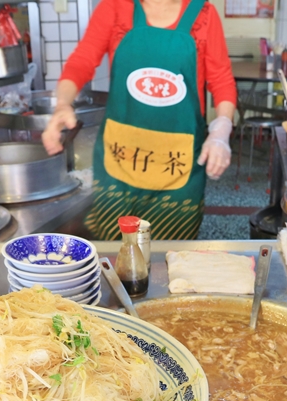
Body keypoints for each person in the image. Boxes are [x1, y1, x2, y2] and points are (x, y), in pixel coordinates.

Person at [42, 0, 237, 240]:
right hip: (120, 165)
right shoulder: (115, 7)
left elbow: (221, 79)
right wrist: (63, 103)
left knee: (170, 256)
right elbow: (82, 60)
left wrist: (221, 130)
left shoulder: (203, 14)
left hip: (177, 168)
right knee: (117, 256)